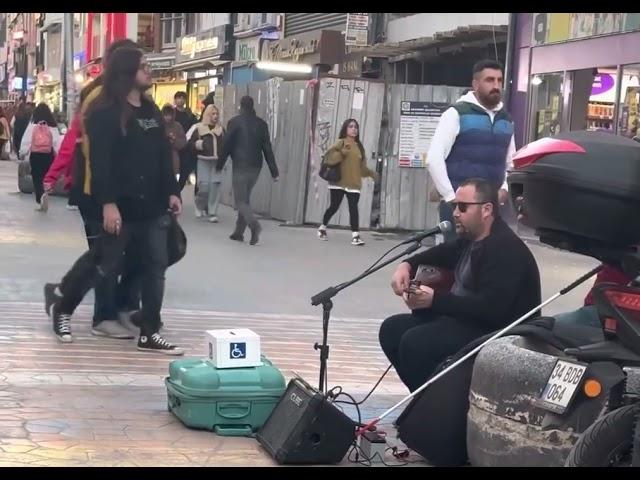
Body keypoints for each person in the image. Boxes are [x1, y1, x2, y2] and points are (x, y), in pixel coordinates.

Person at [48, 47, 183, 355]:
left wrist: (173, 191)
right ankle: (63, 308)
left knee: (155, 267)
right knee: (101, 263)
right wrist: (107, 203)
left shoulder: (149, 109)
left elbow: (162, 156)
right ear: (126, 71)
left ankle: (149, 331)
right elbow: (100, 161)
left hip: (152, 207)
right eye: (143, 66)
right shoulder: (104, 112)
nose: (149, 70)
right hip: (119, 205)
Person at [379, 178, 540, 392]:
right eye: (454, 206)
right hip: (467, 321)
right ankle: (425, 404)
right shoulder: (472, 238)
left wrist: (434, 300)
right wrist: (406, 265)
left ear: (486, 209)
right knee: (391, 330)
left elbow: (491, 309)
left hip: (496, 331)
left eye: (463, 207)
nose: (455, 213)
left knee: (415, 343)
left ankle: (439, 409)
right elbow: (442, 253)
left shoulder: (505, 249)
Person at [43, 38, 139, 340]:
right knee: (105, 256)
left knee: (111, 254)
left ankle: (66, 294)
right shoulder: (99, 97)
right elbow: (76, 143)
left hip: (120, 192)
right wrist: (52, 177)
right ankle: (100, 314)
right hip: (95, 191)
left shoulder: (129, 98)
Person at [427, 59, 516, 242]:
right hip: (459, 208)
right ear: (475, 84)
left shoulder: (506, 119)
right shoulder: (456, 114)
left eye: (499, 80)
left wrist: (505, 189)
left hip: (490, 209)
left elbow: (511, 162)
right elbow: (434, 158)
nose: (496, 85)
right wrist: (452, 198)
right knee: (454, 261)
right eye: (489, 80)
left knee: (486, 262)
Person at [217, 95, 279, 245]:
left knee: (240, 201)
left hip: (240, 165)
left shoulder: (234, 122)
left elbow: (226, 145)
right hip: (256, 167)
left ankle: (254, 226)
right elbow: (267, 149)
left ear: (241, 106)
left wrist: (219, 164)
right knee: (245, 199)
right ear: (253, 106)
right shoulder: (261, 124)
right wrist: (274, 171)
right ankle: (238, 233)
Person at [317, 118, 377, 246]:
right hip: (338, 183)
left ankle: (355, 235)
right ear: (345, 129)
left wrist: (372, 174)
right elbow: (329, 158)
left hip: (354, 183)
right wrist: (342, 153)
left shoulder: (359, 147)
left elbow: (362, 168)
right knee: (334, 207)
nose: (354, 129)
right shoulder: (341, 142)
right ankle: (322, 228)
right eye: (351, 126)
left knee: (353, 208)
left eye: (356, 127)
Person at [20, 103, 62, 211]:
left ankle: (40, 198)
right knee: (46, 177)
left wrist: (22, 153)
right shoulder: (52, 126)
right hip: (48, 155)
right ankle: (45, 193)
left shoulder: (33, 125)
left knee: (37, 177)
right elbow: (56, 143)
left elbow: (26, 141)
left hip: (35, 155)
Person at [189, 104, 225, 222]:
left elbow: (227, 145)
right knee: (204, 186)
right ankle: (199, 206)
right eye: (212, 114)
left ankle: (212, 212)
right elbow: (188, 141)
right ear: (207, 114)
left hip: (217, 162)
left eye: (216, 114)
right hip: (203, 160)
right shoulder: (198, 127)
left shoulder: (221, 129)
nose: (215, 116)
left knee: (215, 186)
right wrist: (197, 144)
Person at [161, 104, 187, 176]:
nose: (169, 117)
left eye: (170, 115)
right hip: (161, 158)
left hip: (173, 158)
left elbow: (183, 142)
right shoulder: (159, 126)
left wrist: (174, 141)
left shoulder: (177, 126)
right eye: (166, 115)